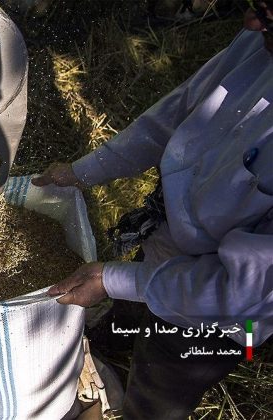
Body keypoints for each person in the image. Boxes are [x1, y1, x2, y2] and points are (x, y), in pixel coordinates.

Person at [33, 1, 273, 418]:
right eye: (258, 6)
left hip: (219, 320)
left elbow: (245, 290)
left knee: (161, 384)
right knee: (132, 316)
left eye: (268, 17)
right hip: (166, 244)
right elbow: (180, 112)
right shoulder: (261, 42)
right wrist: (85, 171)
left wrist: (115, 279)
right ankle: (114, 344)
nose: (250, 22)